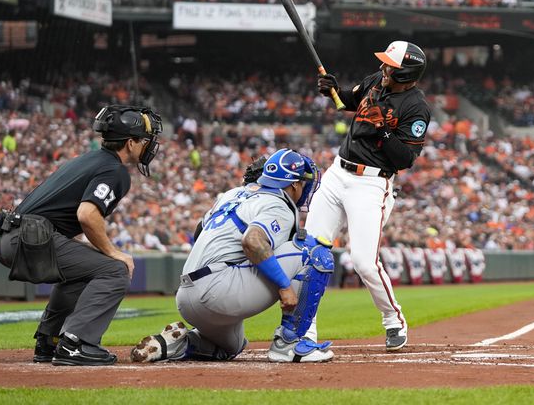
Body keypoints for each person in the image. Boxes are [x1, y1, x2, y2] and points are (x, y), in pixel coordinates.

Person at [0, 105, 163, 366]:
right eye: (145, 140)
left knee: (86, 269)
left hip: (14, 235)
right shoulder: (115, 170)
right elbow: (87, 215)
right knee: (115, 269)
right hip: (29, 238)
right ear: (130, 143)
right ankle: (76, 343)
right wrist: (113, 252)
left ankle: (49, 342)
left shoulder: (87, 159)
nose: (149, 146)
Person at [131, 149, 335, 364]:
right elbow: (252, 241)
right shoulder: (279, 204)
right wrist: (284, 285)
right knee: (315, 252)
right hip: (219, 291)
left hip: (186, 296)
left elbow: (199, 232)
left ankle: (175, 344)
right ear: (294, 184)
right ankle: (289, 343)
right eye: (303, 183)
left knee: (231, 347)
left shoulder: (231, 194)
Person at [309, 41, 432, 351]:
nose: (382, 68)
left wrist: (383, 130)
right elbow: (348, 101)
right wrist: (332, 90)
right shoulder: (376, 80)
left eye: (390, 65)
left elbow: (404, 158)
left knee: (364, 263)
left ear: (405, 73)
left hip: (371, 183)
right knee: (309, 252)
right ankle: (303, 326)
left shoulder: (416, 107)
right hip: (338, 173)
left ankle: (393, 319)